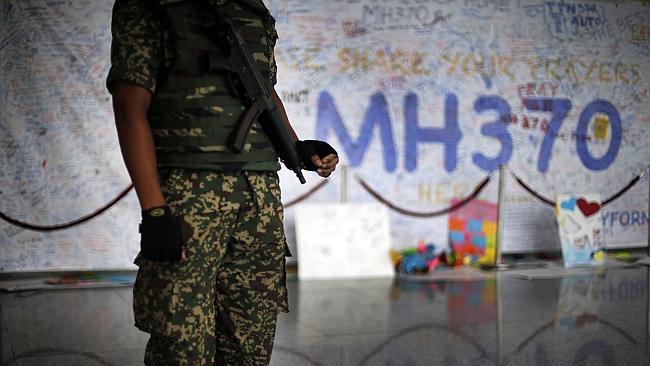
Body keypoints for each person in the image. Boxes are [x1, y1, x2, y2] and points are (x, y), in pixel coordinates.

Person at [106, 0, 338, 364]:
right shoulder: (150, 4)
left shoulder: (251, 7)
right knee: (181, 337)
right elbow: (129, 105)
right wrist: (153, 209)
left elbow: (263, 92)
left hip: (259, 192)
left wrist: (295, 148)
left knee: (251, 333)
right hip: (189, 191)